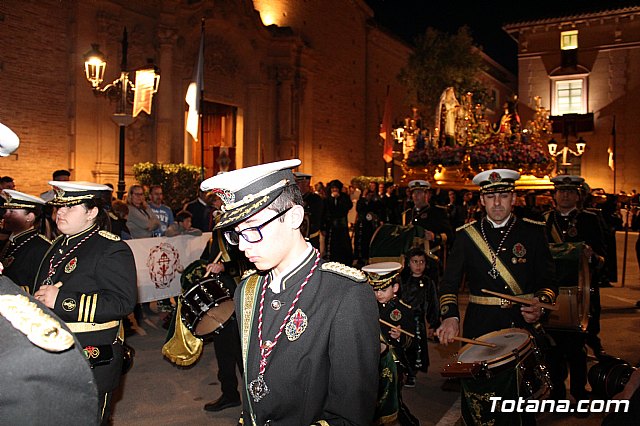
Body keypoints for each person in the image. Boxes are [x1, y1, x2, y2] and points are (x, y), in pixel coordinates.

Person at [200, 159, 379, 425]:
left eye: (254, 229)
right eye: (237, 233)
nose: (244, 247)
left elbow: (351, 416)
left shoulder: (345, 294)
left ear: (294, 217)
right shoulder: (247, 290)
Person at [436, 169, 557, 426]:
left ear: (514, 198)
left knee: (519, 402)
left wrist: (540, 307)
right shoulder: (467, 235)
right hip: (479, 326)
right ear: (481, 200)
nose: (498, 202)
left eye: (503, 195)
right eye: (491, 197)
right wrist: (450, 317)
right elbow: (449, 283)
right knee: (479, 400)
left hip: (520, 325)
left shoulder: (533, 232)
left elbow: (548, 282)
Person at [33, 181, 138, 425]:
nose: (60, 212)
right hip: (54, 352)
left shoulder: (111, 248)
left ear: (92, 212)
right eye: (60, 207)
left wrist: (62, 301)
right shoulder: (59, 244)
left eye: (70, 207)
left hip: (89, 356)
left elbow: (122, 303)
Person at [0, 275, 99, 425]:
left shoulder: (109, 251)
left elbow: (122, 303)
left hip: (92, 344)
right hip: (51, 327)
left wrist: (61, 300)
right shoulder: (48, 251)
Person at [543, 175, 607, 403]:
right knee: (552, 349)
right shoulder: (545, 221)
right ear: (554, 195)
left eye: (570, 191)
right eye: (561, 191)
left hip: (581, 296)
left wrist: (592, 257)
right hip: (553, 295)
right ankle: (557, 393)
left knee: (577, 350)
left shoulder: (590, 220)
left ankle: (579, 393)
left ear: (578, 195)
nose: (565, 194)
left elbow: (602, 258)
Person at [363, 261, 419, 426]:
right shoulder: (368, 307)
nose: (378, 294)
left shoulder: (404, 310)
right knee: (374, 401)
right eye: (375, 289)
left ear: (395, 288)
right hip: (374, 363)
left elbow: (413, 342)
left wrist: (400, 337)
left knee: (394, 400)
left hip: (395, 364)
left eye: (383, 289)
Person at [400, 247, 440, 386]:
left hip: (418, 322)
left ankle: (412, 373)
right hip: (403, 321)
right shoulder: (402, 281)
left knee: (417, 348)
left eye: (421, 262)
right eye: (415, 261)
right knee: (403, 347)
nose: (418, 265)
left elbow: (433, 304)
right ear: (408, 263)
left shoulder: (428, 283)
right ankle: (402, 371)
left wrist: (433, 324)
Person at [0, 189, 51, 292]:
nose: (6, 216)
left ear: (29, 217)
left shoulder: (41, 247)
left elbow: (38, 285)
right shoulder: (9, 242)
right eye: (6, 211)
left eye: (12, 212)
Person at [402, 180, 453, 275]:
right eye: (414, 193)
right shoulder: (407, 214)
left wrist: (435, 237)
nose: (416, 196)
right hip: (410, 261)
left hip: (430, 260)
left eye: (419, 193)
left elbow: (449, 235)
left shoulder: (437, 212)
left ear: (427, 195)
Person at [322, 179, 354, 265]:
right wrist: (323, 227)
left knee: (343, 245)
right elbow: (325, 212)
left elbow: (348, 206)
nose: (334, 190)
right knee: (332, 246)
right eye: (333, 188)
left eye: (336, 188)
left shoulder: (344, 197)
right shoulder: (327, 199)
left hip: (342, 226)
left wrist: (339, 199)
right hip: (331, 227)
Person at [294, 172, 324, 251]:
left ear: (306, 183)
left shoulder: (316, 199)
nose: (296, 185)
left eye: (298, 182)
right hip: (296, 240)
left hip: (311, 238)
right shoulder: (294, 199)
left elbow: (317, 219)